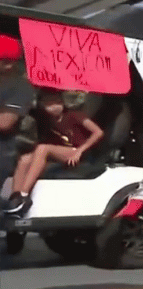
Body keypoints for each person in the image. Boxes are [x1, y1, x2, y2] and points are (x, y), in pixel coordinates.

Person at [8, 89, 104, 215]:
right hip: (58, 153)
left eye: (57, 103)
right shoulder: (44, 120)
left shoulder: (75, 115)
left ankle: (24, 195)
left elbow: (98, 132)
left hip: (79, 152)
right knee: (25, 158)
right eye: (49, 104)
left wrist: (79, 151)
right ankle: (15, 196)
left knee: (43, 148)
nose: (54, 107)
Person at [0, 34, 36, 250]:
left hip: (6, 146)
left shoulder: (20, 87)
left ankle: (14, 206)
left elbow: (5, 122)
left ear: (9, 63)